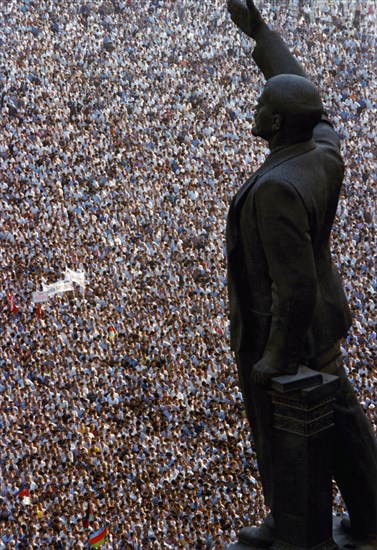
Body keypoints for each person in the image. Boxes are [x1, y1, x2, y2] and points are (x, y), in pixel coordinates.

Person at [225, 0, 377, 546]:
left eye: (265, 102)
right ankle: (368, 515)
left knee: (284, 428)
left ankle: (293, 523)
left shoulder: (276, 190)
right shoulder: (322, 152)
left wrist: (273, 354)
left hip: (286, 331)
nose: (257, 104)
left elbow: (294, 286)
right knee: (342, 418)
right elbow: (309, 94)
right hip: (319, 325)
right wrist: (261, 35)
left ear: (278, 123)